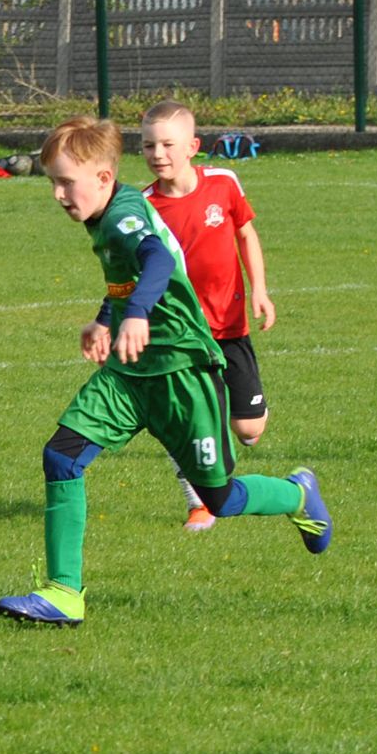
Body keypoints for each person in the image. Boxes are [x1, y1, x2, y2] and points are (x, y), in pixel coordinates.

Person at [0, 116, 331, 627]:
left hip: (183, 374)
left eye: (67, 182)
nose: (58, 194)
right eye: (52, 183)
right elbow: (127, 279)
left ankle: (298, 494)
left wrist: (135, 315)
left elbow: (153, 260)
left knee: (219, 497)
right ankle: (63, 593)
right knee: (61, 457)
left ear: (104, 179)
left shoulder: (125, 215)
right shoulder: (102, 216)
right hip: (130, 375)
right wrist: (106, 318)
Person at [138, 99, 277, 531]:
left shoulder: (223, 183)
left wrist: (261, 291)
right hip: (182, 335)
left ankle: (249, 421)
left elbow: (245, 234)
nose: (157, 154)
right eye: (147, 146)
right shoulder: (143, 207)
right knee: (193, 420)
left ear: (193, 146)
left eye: (166, 144)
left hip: (230, 327)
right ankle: (199, 502)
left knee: (248, 428)